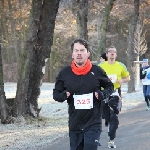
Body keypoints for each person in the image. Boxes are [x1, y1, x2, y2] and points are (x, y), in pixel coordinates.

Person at [53, 39, 114, 150]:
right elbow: (56, 94)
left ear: (88, 53)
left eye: (82, 50)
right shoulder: (65, 73)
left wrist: (102, 94)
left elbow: (110, 87)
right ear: (72, 54)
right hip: (75, 124)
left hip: (93, 123)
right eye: (76, 51)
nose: (79, 53)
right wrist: (63, 96)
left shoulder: (97, 71)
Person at [99, 46, 130, 148]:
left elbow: (128, 77)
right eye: (110, 52)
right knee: (106, 116)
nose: (112, 53)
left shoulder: (121, 66)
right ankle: (108, 121)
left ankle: (111, 138)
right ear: (107, 54)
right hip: (104, 94)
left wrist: (122, 80)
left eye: (114, 52)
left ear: (116, 55)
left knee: (114, 116)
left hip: (115, 93)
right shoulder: (101, 66)